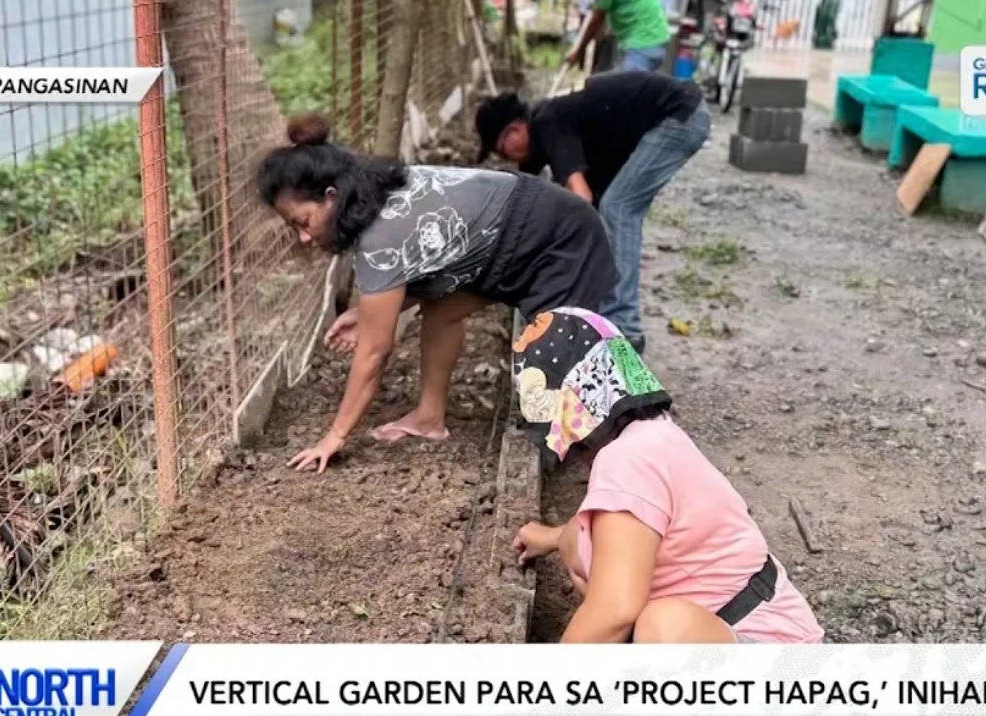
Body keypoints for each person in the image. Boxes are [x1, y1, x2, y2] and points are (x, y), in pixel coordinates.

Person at [508, 308, 823, 716]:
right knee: (625, 592)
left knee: (657, 622)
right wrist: (556, 537)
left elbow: (614, 609)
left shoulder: (629, 463)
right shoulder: (648, 439)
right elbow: (613, 533)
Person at [257, 115, 618, 473]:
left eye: (301, 223)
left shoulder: (379, 241)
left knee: (559, 384)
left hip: (561, 238)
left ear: (331, 198)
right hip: (513, 237)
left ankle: (617, 457)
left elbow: (374, 352)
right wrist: (366, 314)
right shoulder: (374, 193)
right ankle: (429, 419)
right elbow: (419, 271)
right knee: (442, 312)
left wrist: (334, 437)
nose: (303, 237)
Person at [475, 72, 710, 352]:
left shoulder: (546, 121)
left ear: (514, 130)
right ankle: (603, 314)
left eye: (502, 150)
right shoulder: (553, 121)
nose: (507, 159)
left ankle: (625, 328)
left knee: (618, 208)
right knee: (607, 206)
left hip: (678, 115)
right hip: (671, 114)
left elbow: (580, 198)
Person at [568, 0, 672, 73]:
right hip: (656, 38)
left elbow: (596, 22)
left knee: (626, 94)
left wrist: (578, 52)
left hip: (642, 44)